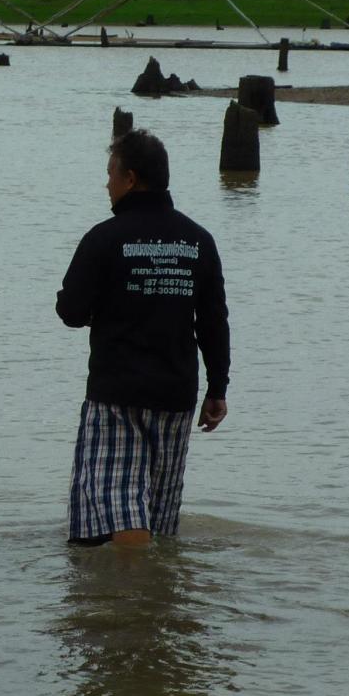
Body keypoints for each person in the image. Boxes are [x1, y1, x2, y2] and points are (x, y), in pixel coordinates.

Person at [56, 128, 230, 547]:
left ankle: (135, 586)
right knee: (158, 516)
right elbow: (213, 321)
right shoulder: (198, 241)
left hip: (117, 397)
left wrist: (107, 306)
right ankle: (158, 586)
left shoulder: (104, 238)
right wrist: (217, 389)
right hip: (176, 397)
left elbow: (70, 311)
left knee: (117, 510)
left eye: (110, 174)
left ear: (130, 179)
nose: (107, 185)